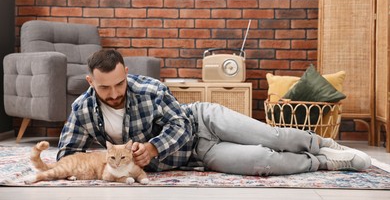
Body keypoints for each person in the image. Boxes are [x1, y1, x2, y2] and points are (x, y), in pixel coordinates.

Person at [57, 49, 371, 176]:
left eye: (119, 84)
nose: (113, 94)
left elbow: (180, 124)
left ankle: (320, 143)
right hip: (199, 154)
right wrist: (104, 162)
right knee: (264, 161)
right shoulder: (82, 108)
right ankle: (323, 163)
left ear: (126, 72)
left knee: (270, 135)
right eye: (104, 88)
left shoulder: (148, 88)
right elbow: (66, 157)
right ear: (91, 82)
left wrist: (152, 148)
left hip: (202, 120)